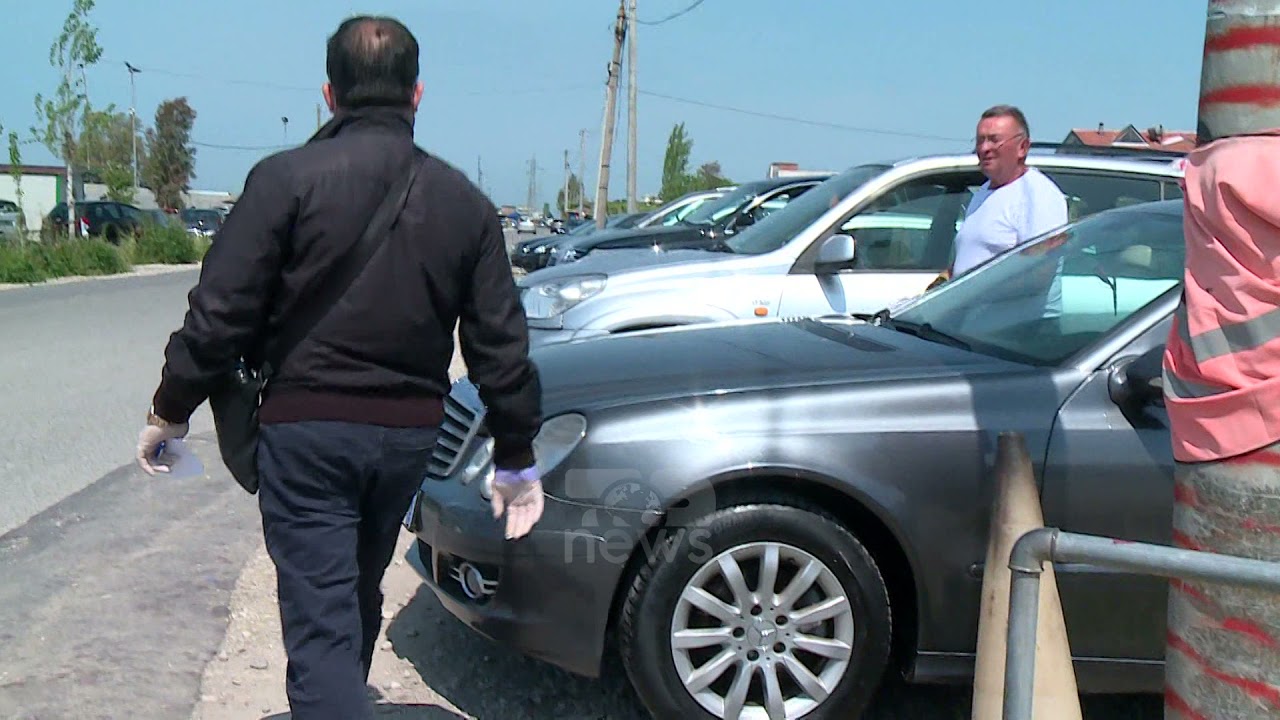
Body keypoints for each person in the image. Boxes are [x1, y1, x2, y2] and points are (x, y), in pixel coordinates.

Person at [133, 15, 543, 719]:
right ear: (416, 95)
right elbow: (499, 345)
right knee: (354, 592)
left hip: (307, 437)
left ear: (330, 94)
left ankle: (333, 698)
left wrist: (170, 409)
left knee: (322, 618)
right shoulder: (465, 205)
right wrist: (515, 456)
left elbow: (218, 315)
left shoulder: (282, 182)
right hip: (409, 440)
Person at [931, 105, 1068, 288]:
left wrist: (972, 292)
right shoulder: (984, 192)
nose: (984, 148)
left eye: (994, 140)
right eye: (980, 140)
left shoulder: (1039, 195)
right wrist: (938, 288)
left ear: (1022, 147)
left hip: (1012, 308)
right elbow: (969, 259)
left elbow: (1039, 276)